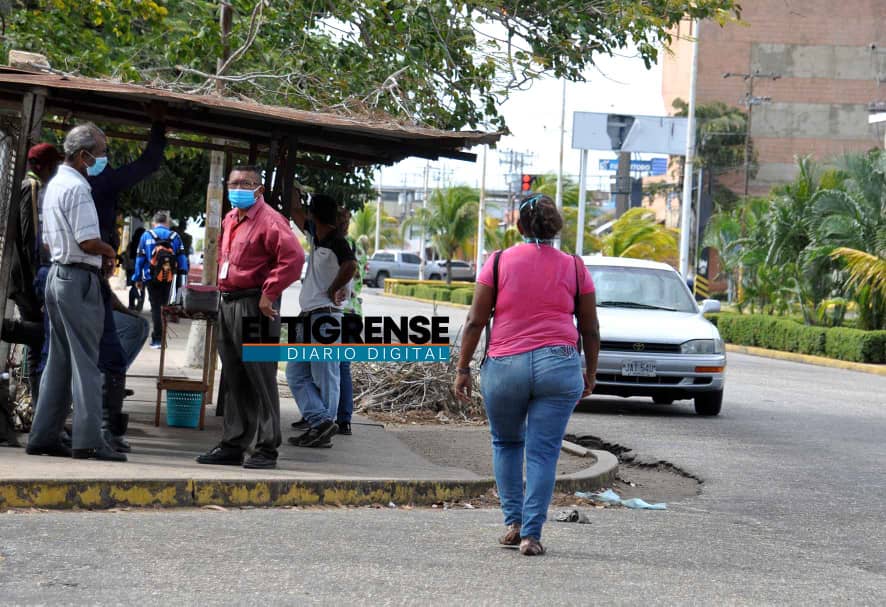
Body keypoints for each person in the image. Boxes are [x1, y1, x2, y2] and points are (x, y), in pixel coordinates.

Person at [454, 194, 600, 557]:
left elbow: (475, 321)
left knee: (506, 444)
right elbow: (590, 328)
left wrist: (463, 368)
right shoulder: (575, 267)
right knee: (543, 452)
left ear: (519, 226)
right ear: (555, 227)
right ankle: (531, 536)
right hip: (559, 366)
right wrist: (590, 372)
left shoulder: (498, 262)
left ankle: (514, 523)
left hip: (505, 366)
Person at [26, 123, 125, 462]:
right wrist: (110, 251)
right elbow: (87, 242)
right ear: (84, 156)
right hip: (78, 277)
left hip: (57, 274)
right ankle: (89, 440)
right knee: (87, 364)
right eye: (101, 153)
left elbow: (48, 241)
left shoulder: (55, 184)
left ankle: (43, 436)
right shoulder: (79, 188)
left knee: (59, 361)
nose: (104, 159)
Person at [196, 166, 303, 470]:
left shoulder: (270, 220)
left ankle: (267, 447)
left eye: (246, 183)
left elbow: (294, 258)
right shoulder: (231, 218)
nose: (238, 188)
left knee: (261, 377)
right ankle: (234, 444)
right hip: (229, 301)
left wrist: (270, 292)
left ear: (259, 189)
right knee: (234, 376)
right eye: (234, 183)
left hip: (255, 304)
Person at [286, 193, 357, 448]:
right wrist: (292, 189)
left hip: (326, 317)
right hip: (309, 316)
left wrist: (333, 288)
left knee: (327, 377)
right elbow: (295, 212)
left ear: (314, 214)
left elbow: (350, 265)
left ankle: (323, 428)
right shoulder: (317, 236)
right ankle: (320, 422)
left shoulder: (338, 242)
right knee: (295, 373)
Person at [9, 143, 62, 402]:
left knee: (37, 342)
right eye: (56, 165)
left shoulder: (32, 186)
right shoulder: (32, 187)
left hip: (26, 276)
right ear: (47, 166)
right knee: (40, 338)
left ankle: (38, 403)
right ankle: (40, 404)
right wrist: (38, 286)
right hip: (27, 278)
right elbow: (31, 239)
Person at [132, 212, 189, 348]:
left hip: (150, 277)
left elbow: (140, 259)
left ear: (153, 223)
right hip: (169, 277)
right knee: (165, 306)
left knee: (155, 307)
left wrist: (137, 278)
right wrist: (182, 277)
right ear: (167, 223)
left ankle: (158, 340)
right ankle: (162, 337)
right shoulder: (175, 236)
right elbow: (182, 259)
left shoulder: (146, 236)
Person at [125, 227, 146, 311]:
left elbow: (127, 254)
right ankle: (139, 305)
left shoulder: (132, 244)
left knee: (133, 286)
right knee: (142, 287)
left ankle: (132, 304)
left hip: (131, 268)